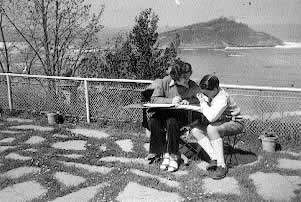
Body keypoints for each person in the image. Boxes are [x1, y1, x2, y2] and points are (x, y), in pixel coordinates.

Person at [146, 59, 201, 172]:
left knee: (172, 122)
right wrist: (171, 100)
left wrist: (189, 101)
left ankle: (173, 155)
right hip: (164, 112)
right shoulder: (165, 81)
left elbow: (200, 99)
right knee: (154, 120)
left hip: (181, 115)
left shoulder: (191, 85)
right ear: (177, 77)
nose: (187, 80)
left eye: (188, 77)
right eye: (184, 78)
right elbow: (154, 99)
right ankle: (158, 152)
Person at [190, 74, 244, 179]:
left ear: (215, 89)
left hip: (235, 122)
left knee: (211, 128)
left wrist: (202, 102)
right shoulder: (213, 93)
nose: (205, 94)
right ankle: (214, 158)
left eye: (207, 92)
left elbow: (211, 117)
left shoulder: (222, 98)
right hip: (221, 121)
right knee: (195, 130)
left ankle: (221, 165)